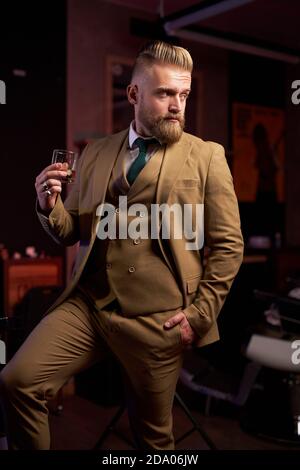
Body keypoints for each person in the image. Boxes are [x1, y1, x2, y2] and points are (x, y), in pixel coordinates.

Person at [0, 40, 244, 450]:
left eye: (183, 95)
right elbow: (70, 230)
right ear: (134, 94)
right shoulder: (95, 152)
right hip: (90, 307)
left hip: (158, 322)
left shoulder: (206, 156)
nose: (177, 105)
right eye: (165, 93)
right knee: (17, 381)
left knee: (154, 443)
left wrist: (199, 316)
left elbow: (227, 245)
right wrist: (48, 203)